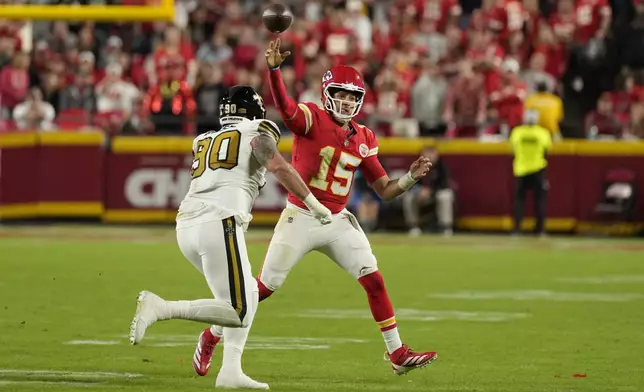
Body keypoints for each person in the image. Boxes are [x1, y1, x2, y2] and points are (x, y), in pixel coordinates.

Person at [197, 39, 437, 377]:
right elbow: (286, 107)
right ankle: (212, 334)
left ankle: (397, 353)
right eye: (341, 94)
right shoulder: (312, 118)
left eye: (353, 96)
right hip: (301, 216)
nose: (347, 101)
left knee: (374, 280)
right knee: (260, 290)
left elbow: (384, 190)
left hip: (338, 220)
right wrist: (275, 71)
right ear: (328, 93)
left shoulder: (364, 137)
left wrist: (410, 178)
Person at [128, 85, 332, 390]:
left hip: (186, 227)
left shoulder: (204, 138)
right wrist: (314, 205)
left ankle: (231, 371)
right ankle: (162, 308)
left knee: (248, 292)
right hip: (219, 221)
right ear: (254, 112)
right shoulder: (257, 128)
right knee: (239, 310)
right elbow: (277, 165)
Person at [509, 109, 552, 235]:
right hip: (538, 169)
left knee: (519, 201)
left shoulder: (517, 132)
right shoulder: (543, 133)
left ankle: (517, 228)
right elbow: (547, 151)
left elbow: (512, 149)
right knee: (540, 201)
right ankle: (540, 229)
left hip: (521, 170)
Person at [402, 146, 454, 236]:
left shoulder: (441, 167)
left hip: (435, 194)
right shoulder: (416, 166)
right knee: (408, 197)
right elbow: (409, 183)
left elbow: (444, 184)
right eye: (426, 154)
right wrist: (419, 190)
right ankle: (413, 226)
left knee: (445, 195)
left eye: (432, 154)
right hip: (419, 195)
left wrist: (430, 191)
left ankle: (445, 226)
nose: (429, 156)